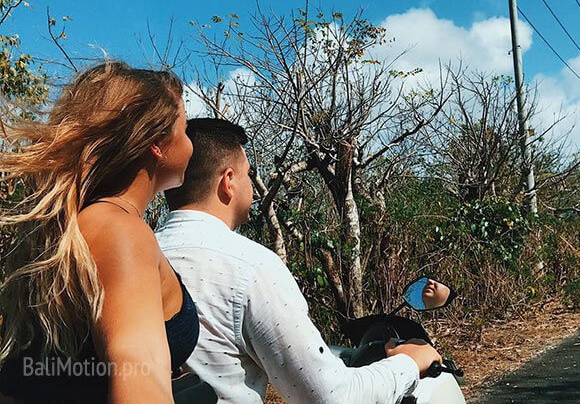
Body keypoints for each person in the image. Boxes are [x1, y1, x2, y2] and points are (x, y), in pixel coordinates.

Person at [157, 117, 442, 403]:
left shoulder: (140, 255)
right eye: (247, 173)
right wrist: (408, 363)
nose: (252, 186)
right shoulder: (249, 266)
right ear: (228, 181)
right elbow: (330, 397)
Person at [0, 61, 197, 403]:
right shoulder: (118, 230)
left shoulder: (68, 228)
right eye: (185, 126)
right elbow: (140, 374)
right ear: (158, 144)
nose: (191, 141)